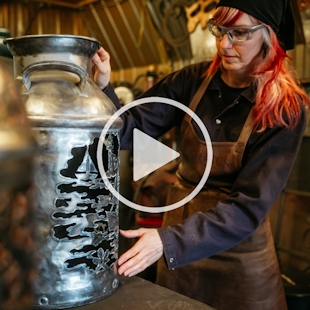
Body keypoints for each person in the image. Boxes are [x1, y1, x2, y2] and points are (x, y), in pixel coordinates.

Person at [92, 0, 310, 308]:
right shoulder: (190, 81)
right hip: (180, 258)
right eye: (220, 31)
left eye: (239, 33)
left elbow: (248, 207)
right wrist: (102, 89)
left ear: (269, 36)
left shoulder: (284, 109)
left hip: (238, 255)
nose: (224, 44)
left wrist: (168, 240)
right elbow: (128, 130)